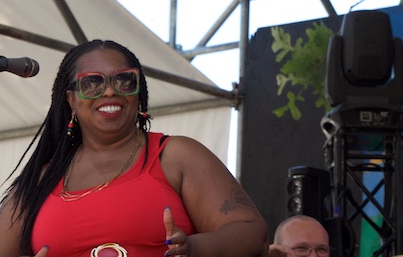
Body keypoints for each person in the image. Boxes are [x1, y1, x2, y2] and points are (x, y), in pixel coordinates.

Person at [0, 39, 268, 257]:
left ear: (138, 93)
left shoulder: (175, 156)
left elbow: (251, 232)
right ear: (71, 100)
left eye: (124, 80)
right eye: (91, 83)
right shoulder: (42, 179)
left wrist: (194, 248)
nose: (109, 92)